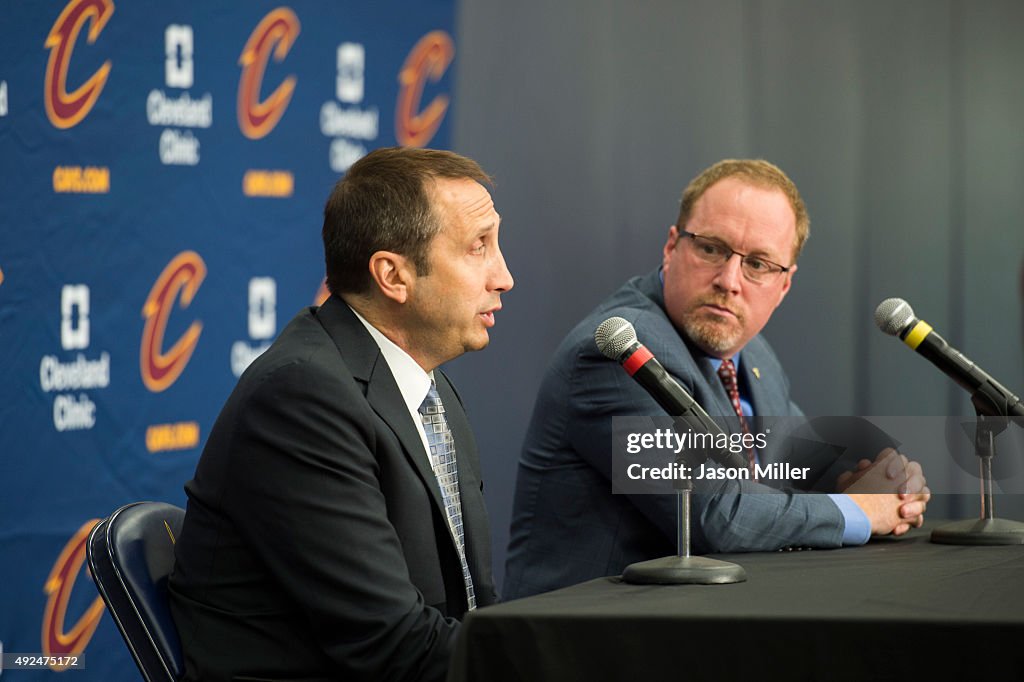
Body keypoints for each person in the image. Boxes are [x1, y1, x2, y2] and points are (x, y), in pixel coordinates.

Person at [503, 159, 929, 600]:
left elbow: (798, 464)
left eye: (759, 264)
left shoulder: (750, 353)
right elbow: (714, 513)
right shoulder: (620, 352)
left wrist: (876, 484)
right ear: (671, 247)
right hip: (584, 640)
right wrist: (858, 512)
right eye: (711, 249)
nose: (729, 281)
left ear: (784, 285)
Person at [169, 147, 514, 681]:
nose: (503, 277)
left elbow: (470, 606)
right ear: (393, 276)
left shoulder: (425, 385)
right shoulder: (303, 396)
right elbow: (393, 646)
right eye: (479, 247)